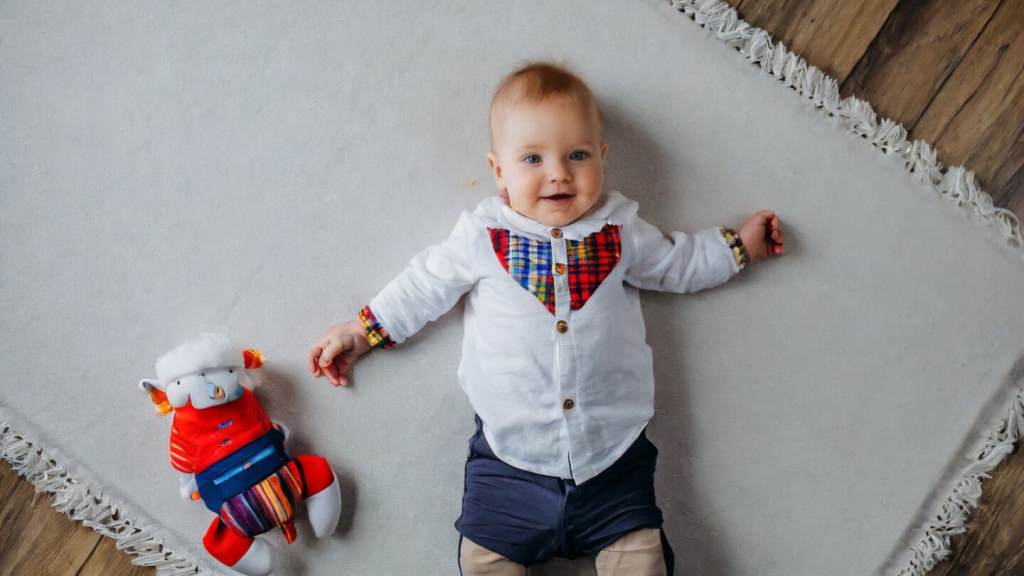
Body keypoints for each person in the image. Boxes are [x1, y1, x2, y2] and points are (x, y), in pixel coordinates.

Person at [308, 61, 784, 575]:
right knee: (484, 561)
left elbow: (676, 262)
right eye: (533, 158)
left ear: (602, 157)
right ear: (498, 171)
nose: (558, 172)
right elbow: (425, 284)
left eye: (577, 155)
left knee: (641, 561)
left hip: (613, 456)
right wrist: (363, 331)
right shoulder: (482, 234)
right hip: (509, 459)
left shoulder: (619, 228)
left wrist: (736, 247)